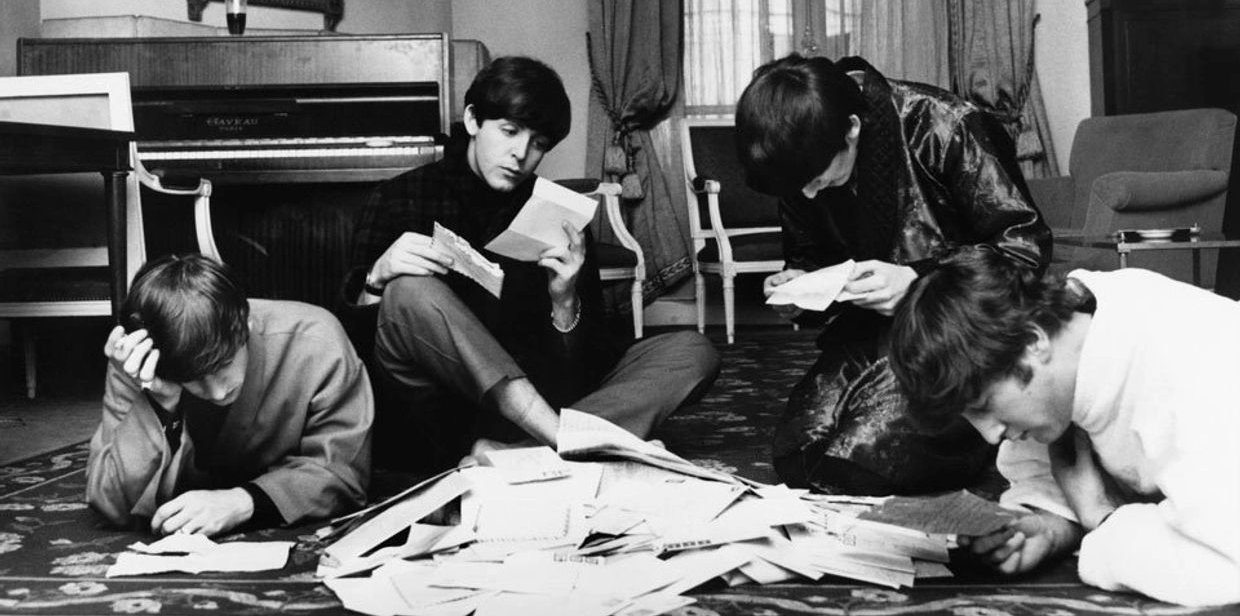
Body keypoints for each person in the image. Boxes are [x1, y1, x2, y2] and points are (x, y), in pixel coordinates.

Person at [338, 55, 719, 474]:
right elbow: (355, 354)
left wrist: (565, 303)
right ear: (471, 121)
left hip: (538, 397)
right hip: (435, 409)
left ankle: (519, 455)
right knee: (410, 290)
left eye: (538, 143)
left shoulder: (557, 212)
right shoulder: (396, 198)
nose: (521, 153)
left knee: (691, 351)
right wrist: (376, 279)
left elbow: (587, 365)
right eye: (509, 131)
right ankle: (561, 443)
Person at [734, 54, 1051, 494]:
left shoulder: (947, 125)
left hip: (955, 331)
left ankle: (986, 425)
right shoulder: (803, 162)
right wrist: (798, 285)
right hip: (867, 332)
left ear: (852, 129)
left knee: (864, 457)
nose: (807, 194)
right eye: (798, 187)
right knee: (800, 454)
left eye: (815, 179)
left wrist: (917, 280)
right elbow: (813, 258)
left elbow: (1025, 249)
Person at [888, 246, 1240, 607]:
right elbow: (1049, 476)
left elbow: (1228, 570)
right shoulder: (1067, 343)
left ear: (1033, 341)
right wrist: (1050, 527)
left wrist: (1102, 519)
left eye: (985, 405)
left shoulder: (1193, 369)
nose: (990, 435)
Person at [86, 253, 373, 536]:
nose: (218, 391)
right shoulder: (139, 361)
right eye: (193, 379)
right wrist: (157, 402)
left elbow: (343, 475)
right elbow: (109, 503)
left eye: (224, 364)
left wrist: (242, 502)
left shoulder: (317, 340)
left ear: (246, 324)